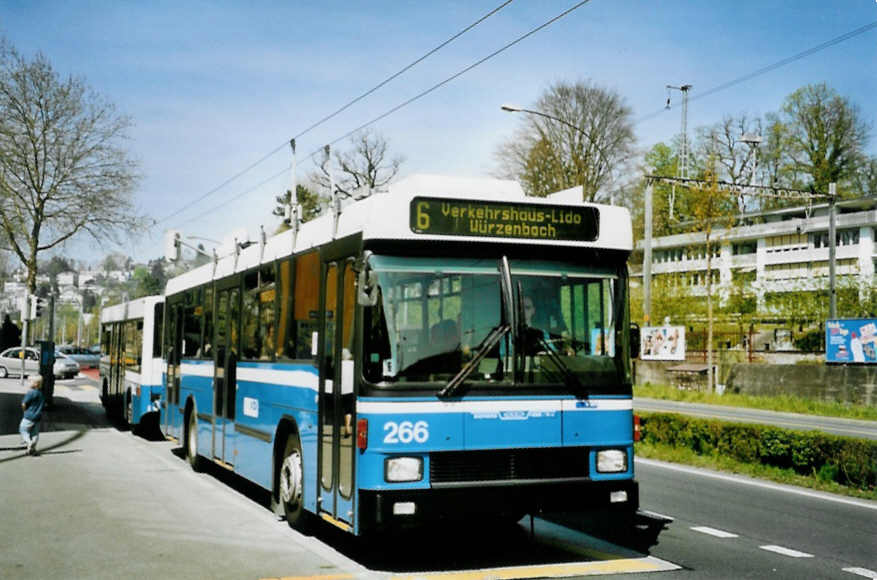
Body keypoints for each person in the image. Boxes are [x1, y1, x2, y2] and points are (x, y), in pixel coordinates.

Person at [20, 376, 45, 456]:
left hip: (29, 416)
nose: (28, 383)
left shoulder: (30, 392)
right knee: (35, 433)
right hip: (38, 416)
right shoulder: (41, 393)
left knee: (23, 429)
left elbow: (24, 404)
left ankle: (29, 442)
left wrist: (24, 410)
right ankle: (32, 449)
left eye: (30, 381)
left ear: (35, 383)